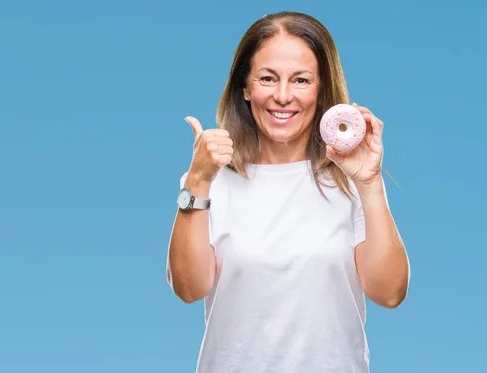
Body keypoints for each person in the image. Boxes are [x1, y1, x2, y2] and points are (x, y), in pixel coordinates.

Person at [165, 11, 410, 373]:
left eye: (300, 80)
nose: (282, 96)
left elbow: (389, 294)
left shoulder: (352, 180)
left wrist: (371, 184)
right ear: (245, 88)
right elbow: (189, 288)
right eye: (267, 78)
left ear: (321, 89)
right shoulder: (211, 180)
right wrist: (197, 183)